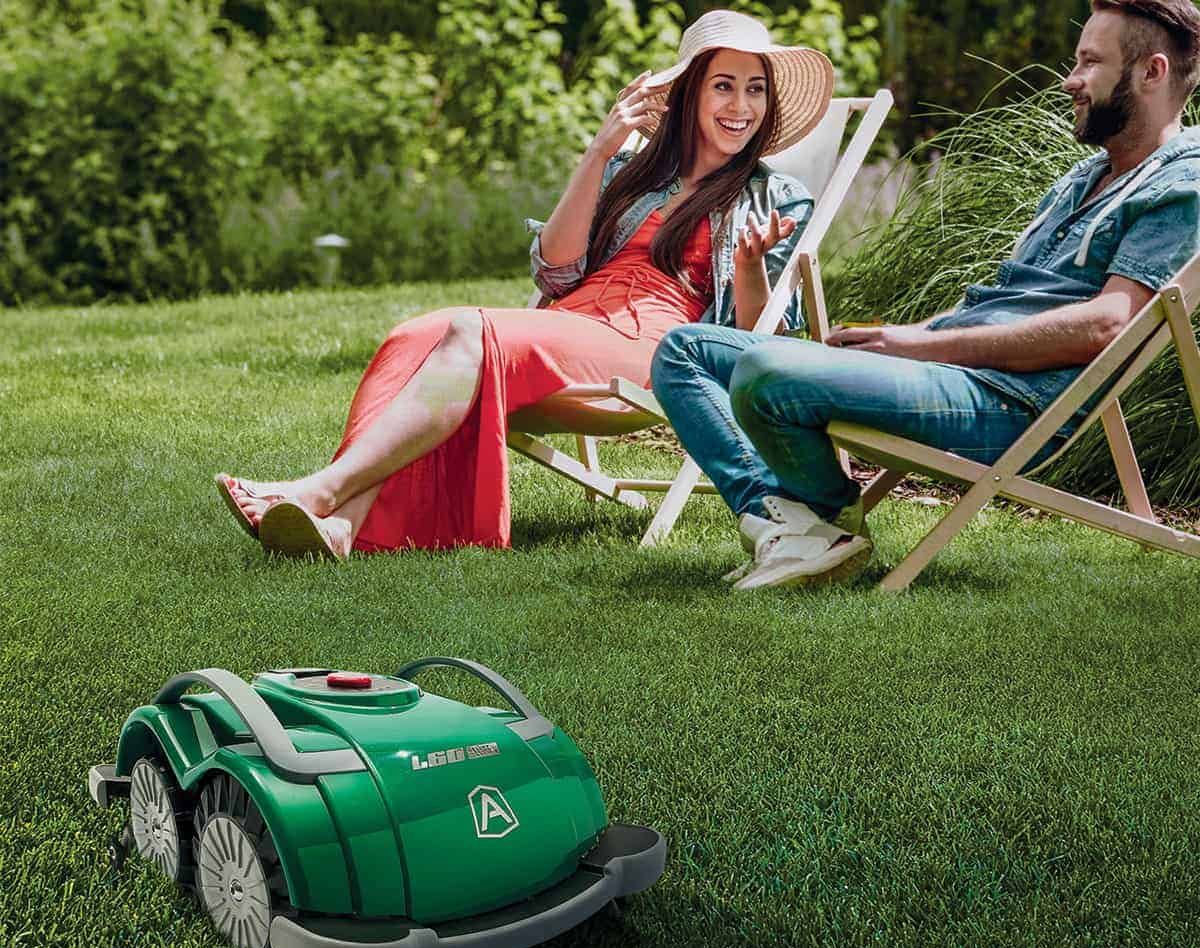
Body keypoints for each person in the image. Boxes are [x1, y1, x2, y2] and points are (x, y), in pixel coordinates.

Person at [216, 9, 834, 559]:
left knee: (466, 329)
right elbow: (557, 270)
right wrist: (599, 152)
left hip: (655, 348)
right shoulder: (633, 170)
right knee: (416, 335)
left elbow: (756, 344)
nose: (740, 106)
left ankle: (317, 491)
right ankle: (344, 526)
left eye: (754, 90)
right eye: (723, 86)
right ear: (689, 95)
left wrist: (751, 268)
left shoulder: (776, 197)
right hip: (572, 322)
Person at [651, 0, 1200, 590]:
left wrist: (917, 348)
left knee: (765, 367)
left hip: (1007, 403)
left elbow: (1108, 327)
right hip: (957, 371)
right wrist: (908, 338)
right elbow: (997, 301)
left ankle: (817, 521)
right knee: (685, 350)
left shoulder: (1181, 182)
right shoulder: (1086, 178)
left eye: (1091, 62)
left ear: (1152, 72)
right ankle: (793, 525)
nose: (1072, 80)